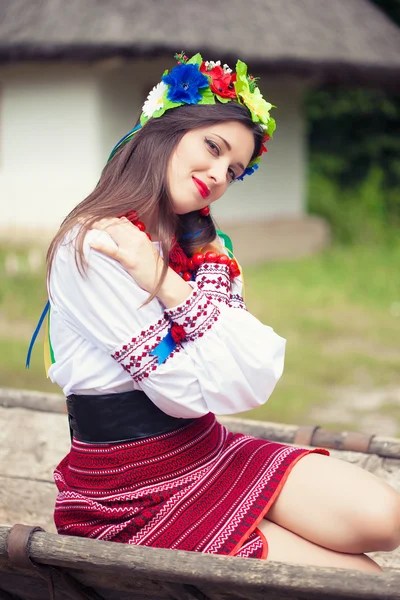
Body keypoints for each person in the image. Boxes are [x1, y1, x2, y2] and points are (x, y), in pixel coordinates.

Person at [45, 52, 400, 570]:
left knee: (384, 518)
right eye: (212, 147)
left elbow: (252, 381)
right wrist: (201, 328)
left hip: (206, 448)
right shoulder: (95, 244)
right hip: (130, 488)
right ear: (165, 130)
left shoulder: (203, 252)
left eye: (233, 170)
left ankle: (253, 521)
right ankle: (249, 527)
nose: (216, 175)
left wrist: (165, 283)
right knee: (360, 579)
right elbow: (186, 392)